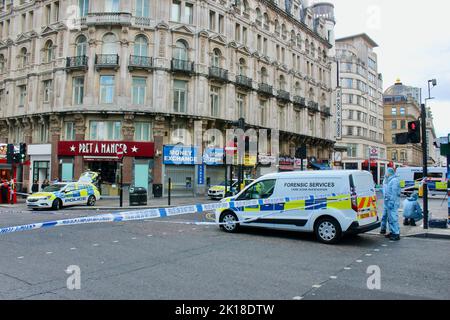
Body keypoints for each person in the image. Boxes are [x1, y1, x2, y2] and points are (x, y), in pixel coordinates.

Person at [380, 167, 401, 241]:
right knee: (390, 218)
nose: (385, 174)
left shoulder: (394, 181)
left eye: (386, 172)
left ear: (389, 173)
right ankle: (392, 232)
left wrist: (391, 202)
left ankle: (396, 234)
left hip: (393, 202)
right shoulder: (389, 180)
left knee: (393, 218)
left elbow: (394, 193)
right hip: (388, 202)